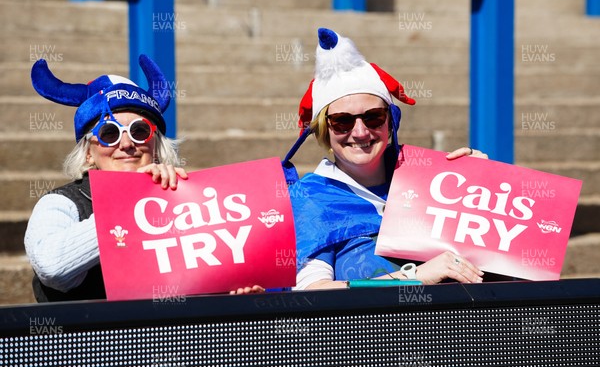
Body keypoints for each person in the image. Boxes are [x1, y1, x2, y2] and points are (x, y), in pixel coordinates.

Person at [25, 55, 261, 301]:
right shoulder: (61, 203)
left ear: (156, 145)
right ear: (88, 153)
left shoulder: (186, 197)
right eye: (109, 132)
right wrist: (136, 199)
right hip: (96, 337)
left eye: (140, 131)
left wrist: (231, 292)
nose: (126, 144)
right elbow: (52, 268)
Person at [283, 28, 488, 290]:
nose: (360, 132)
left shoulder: (431, 179)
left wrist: (482, 182)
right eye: (342, 121)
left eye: (373, 117)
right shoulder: (310, 200)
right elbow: (312, 293)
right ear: (325, 129)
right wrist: (415, 276)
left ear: (391, 121)